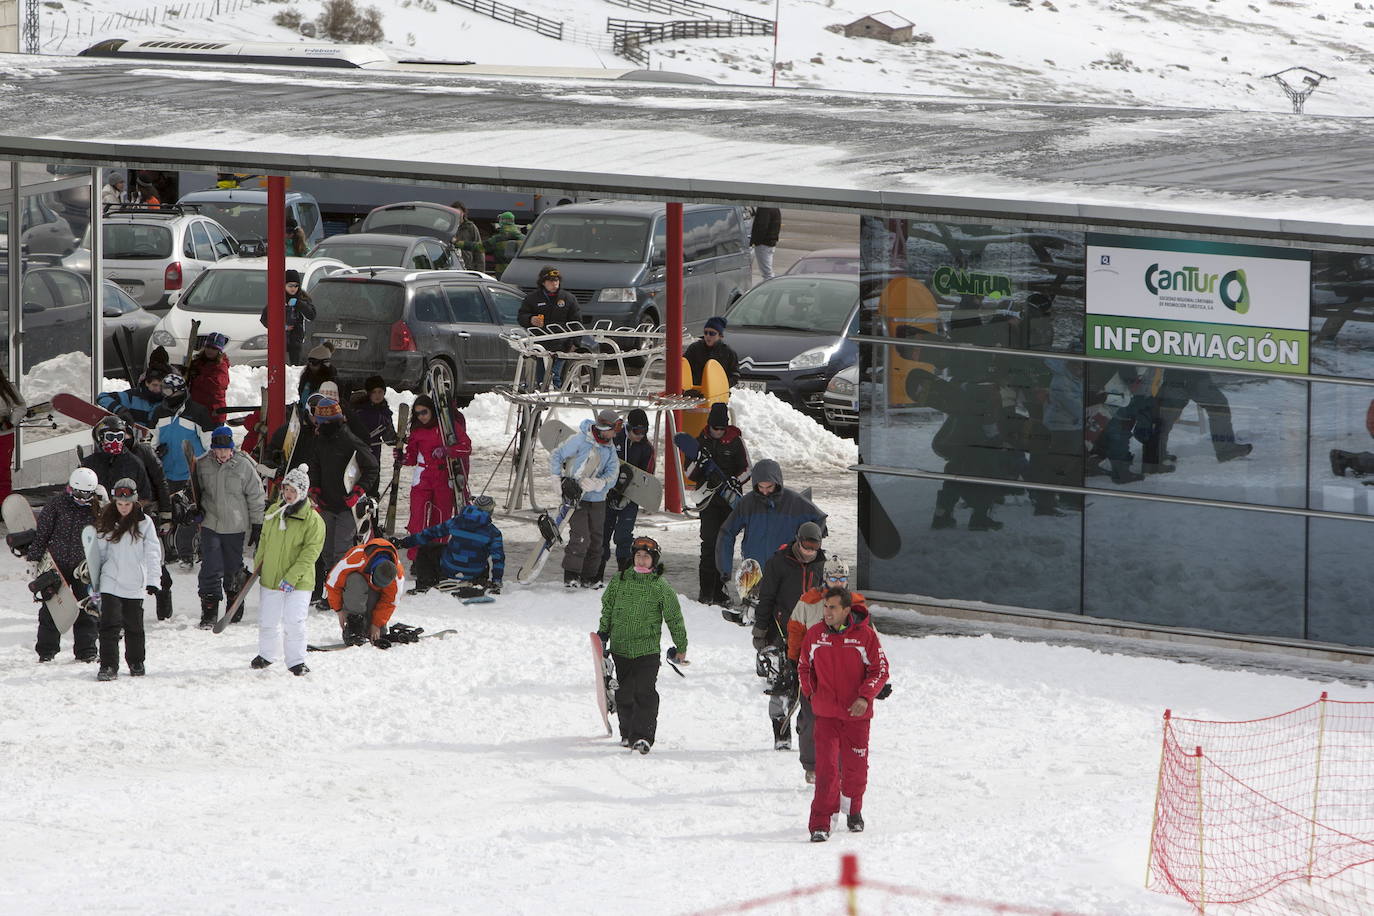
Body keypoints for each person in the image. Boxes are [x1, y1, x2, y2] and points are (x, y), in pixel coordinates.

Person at [274, 385, 379, 606]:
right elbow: (315, 465)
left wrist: (357, 492)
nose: (319, 427)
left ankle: (339, 595)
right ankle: (331, 592)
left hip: (347, 508)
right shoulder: (321, 440)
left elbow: (372, 467)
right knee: (326, 552)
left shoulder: (350, 441)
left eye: (323, 424)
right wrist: (316, 490)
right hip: (326, 505)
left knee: (341, 552)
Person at [799, 586, 889, 842]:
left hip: (857, 717)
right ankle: (821, 823)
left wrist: (865, 696)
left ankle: (853, 810)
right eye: (825, 607)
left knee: (855, 770)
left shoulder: (866, 636)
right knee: (826, 770)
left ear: (846, 610)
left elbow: (880, 670)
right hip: (826, 716)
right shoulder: (815, 635)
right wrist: (811, 694)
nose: (827, 612)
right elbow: (804, 667)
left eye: (833, 608)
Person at [596, 536, 688, 754]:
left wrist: (681, 646)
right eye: (638, 556)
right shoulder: (620, 581)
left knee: (645, 692)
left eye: (646, 557)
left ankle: (643, 736)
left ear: (653, 560)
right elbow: (607, 608)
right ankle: (627, 733)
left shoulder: (660, 586)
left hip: (647, 650)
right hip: (621, 648)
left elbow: (674, 617)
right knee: (625, 693)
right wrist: (602, 634)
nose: (641, 560)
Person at [753, 521, 827, 751]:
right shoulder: (779, 563)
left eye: (813, 549)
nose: (808, 553)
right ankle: (781, 733)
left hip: (812, 636)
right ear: (797, 541)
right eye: (805, 547)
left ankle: (806, 730)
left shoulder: (821, 566)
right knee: (781, 686)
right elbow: (766, 597)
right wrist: (760, 630)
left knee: (810, 687)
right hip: (780, 632)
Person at [715, 458, 825, 612]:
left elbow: (819, 518)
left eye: (769, 487)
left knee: (783, 609)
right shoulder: (747, 503)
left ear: (778, 482)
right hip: (755, 568)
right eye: (760, 487)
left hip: (786, 567)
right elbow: (727, 532)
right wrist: (724, 568)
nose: (765, 491)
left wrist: (809, 545)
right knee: (757, 609)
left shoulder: (794, 501)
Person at [786, 555, 859, 784]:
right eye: (834, 577)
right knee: (812, 719)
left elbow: (869, 639)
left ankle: (838, 765)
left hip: (845, 673)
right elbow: (796, 630)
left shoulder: (856, 605)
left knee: (843, 720)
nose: (838, 582)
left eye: (842, 578)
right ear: (825, 578)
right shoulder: (809, 602)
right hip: (815, 672)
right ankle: (812, 765)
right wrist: (793, 658)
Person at [86, 478, 163, 681]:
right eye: (119, 504)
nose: (123, 508)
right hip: (110, 580)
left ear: (135, 502)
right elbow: (100, 554)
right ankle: (108, 665)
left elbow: (153, 552)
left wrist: (154, 580)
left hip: (135, 582)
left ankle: (136, 661)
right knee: (109, 625)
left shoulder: (145, 524)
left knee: (134, 626)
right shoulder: (107, 521)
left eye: (127, 504)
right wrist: (95, 579)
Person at [251, 467, 325, 676]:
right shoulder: (274, 512)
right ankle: (266, 654)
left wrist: (292, 577)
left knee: (294, 622)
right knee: (267, 620)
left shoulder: (313, 520)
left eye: (293, 490)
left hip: (298, 582)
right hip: (271, 577)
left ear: (302, 492)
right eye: (285, 489)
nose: (288, 494)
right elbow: (264, 541)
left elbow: (311, 553)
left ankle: (296, 660)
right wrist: (259, 567)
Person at [193, 425, 266, 629]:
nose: (223, 453)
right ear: (213, 449)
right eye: (219, 449)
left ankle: (234, 601)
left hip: (236, 525)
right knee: (211, 566)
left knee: (232, 567)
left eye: (226, 449)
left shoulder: (243, 465)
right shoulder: (203, 464)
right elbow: (195, 490)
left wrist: (258, 523)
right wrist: (194, 509)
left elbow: (256, 495)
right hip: (211, 523)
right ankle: (209, 610)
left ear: (232, 448)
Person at [27, 468, 102, 663]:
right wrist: (34, 558)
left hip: (83, 568)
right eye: (77, 493)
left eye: (86, 494)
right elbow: (42, 533)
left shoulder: (98, 508)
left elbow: (109, 533)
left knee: (87, 608)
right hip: (56, 565)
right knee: (51, 608)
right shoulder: (57, 504)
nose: (81, 498)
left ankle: (87, 650)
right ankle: (46, 650)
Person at [400, 394, 469, 592]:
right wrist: (403, 458)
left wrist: (447, 450)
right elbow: (412, 457)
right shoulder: (417, 431)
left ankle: (439, 559)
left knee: (440, 520)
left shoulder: (448, 426)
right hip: (422, 478)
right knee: (418, 520)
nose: (421, 416)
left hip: (443, 477)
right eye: (418, 413)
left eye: (424, 412)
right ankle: (418, 560)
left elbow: (466, 447)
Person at [685, 402, 751, 607]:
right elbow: (688, 473)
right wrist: (699, 461)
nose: (718, 432)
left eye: (722, 428)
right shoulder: (699, 442)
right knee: (709, 544)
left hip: (730, 501)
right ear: (709, 425)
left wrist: (735, 480)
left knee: (725, 545)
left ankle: (720, 589)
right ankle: (706, 591)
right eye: (715, 428)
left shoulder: (736, 441)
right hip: (708, 502)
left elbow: (748, 468)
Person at [548, 409, 621, 588]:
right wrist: (556, 478)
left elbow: (613, 472)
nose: (616, 433)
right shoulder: (581, 439)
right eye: (614, 429)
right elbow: (557, 455)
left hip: (597, 499)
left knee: (597, 538)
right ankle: (571, 574)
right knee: (581, 536)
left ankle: (590, 576)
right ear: (604, 427)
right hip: (576, 498)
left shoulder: (610, 448)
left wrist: (599, 484)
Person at [396, 494, 504, 597]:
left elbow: (429, 534)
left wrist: (403, 543)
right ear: (491, 511)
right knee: (482, 554)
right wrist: (497, 581)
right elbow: (498, 559)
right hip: (475, 572)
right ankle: (477, 581)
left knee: (427, 548)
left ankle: (425, 584)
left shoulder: (457, 521)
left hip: (449, 567)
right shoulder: (493, 532)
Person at [596, 408, 655, 584]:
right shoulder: (615, 439)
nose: (641, 435)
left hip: (630, 499)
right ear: (628, 428)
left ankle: (625, 573)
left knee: (623, 535)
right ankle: (597, 573)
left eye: (644, 432)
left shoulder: (646, 449)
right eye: (637, 431)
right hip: (607, 495)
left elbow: (646, 477)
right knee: (603, 533)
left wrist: (629, 496)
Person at [324, 535, 404, 646]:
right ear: (372, 572)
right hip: (355, 592)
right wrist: (338, 609)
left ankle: (367, 626)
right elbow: (332, 582)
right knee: (355, 579)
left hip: (374, 596)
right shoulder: (357, 557)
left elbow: (390, 601)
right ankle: (354, 624)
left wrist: (376, 624)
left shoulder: (397, 576)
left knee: (376, 633)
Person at [158, 397, 207, 571]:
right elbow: (153, 441)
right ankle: (181, 554)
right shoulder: (160, 413)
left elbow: (207, 444)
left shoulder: (197, 413)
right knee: (181, 517)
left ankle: (200, 551)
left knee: (196, 518)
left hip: (192, 475)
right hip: (171, 475)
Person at [518, 266, 583, 389]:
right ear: (543, 282)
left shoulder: (568, 298)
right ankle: (542, 402)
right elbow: (521, 316)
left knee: (555, 376)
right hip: (540, 345)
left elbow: (577, 322)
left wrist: (576, 343)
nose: (554, 284)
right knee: (541, 378)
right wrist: (530, 319)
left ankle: (556, 402)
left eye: (556, 281)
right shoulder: (532, 298)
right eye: (550, 281)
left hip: (562, 345)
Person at [259, 269, 317, 365]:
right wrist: (281, 327)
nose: (293, 288)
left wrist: (299, 304)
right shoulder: (277, 299)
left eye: (296, 286)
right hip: (279, 342)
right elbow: (264, 319)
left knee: (294, 369)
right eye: (290, 285)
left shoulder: (303, 299)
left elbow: (311, 316)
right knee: (279, 366)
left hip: (296, 342)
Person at [454, 210, 524, 275]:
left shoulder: (497, 239)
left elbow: (479, 247)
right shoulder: (524, 238)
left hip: (503, 275)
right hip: (519, 273)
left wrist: (457, 243)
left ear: (502, 222)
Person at [351, 376, 398, 463]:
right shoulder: (358, 410)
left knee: (373, 474)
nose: (377, 395)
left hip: (374, 452)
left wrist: (398, 439)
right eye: (374, 392)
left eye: (380, 392)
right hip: (355, 451)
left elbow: (388, 437)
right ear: (369, 393)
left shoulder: (385, 412)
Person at [684, 317, 741, 388]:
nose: (708, 336)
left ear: (720, 335)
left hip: (718, 393)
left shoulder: (728, 352)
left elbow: (735, 375)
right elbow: (684, 367)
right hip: (695, 392)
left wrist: (722, 386)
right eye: (705, 333)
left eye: (712, 333)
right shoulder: (694, 348)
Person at [97, 369, 165, 429]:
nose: (158, 389)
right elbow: (102, 397)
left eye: (161, 386)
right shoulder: (132, 396)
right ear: (147, 383)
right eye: (155, 385)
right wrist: (120, 410)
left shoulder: (165, 400)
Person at [186, 331, 231, 420]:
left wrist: (197, 378)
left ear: (219, 350)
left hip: (213, 412)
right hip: (196, 409)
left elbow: (216, 385)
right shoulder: (198, 362)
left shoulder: (221, 366)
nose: (210, 350)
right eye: (208, 347)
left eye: (214, 348)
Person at [0, 366, 26, 502]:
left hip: (4, 436)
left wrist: (10, 422)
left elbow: (21, 406)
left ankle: (3, 504)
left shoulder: (7, 387)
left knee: (2, 471)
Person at [297, 343, 337, 408]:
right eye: (309, 361)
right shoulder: (306, 377)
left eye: (314, 362)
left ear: (324, 364)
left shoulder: (330, 382)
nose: (311, 365)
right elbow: (301, 396)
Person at [750, 207, 781, 282]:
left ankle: (771, 288)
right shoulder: (775, 208)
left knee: (767, 273)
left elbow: (761, 226)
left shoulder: (764, 209)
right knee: (768, 270)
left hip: (763, 244)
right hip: (771, 243)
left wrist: (754, 241)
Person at [450, 201, 483, 271]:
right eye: (454, 212)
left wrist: (480, 270)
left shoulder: (470, 227)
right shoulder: (448, 227)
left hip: (468, 267)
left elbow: (479, 249)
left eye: (459, 212)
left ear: (463, 213)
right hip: (451, 267)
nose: (457, 215)